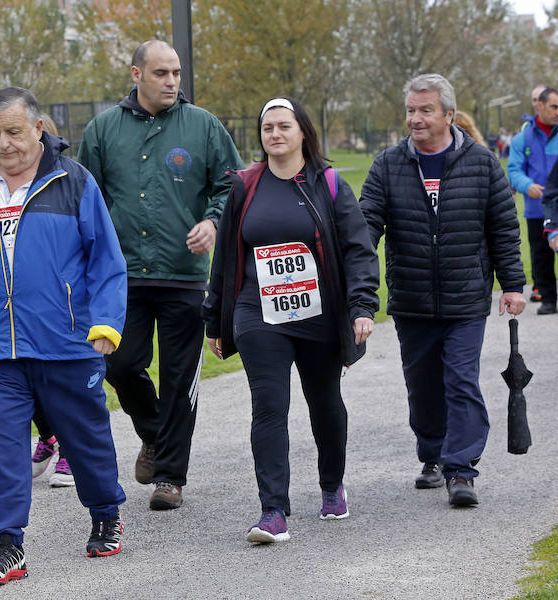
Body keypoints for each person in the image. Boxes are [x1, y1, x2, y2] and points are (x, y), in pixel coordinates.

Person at [0, 87, 127, 586]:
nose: (3, 144)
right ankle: (7, 546)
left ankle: (105, 512)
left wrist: (107, 324)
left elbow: (107, 261)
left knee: (85, 439)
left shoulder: (74, 182)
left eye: (13, 131)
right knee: (4, 450)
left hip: (67, 342)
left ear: (39, 128)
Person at [202, 97, 379, 543]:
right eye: (267, 129)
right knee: (269, 405)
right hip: (258, 312)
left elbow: (358, 248)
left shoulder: (330, 184)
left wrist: (361, 306)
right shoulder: (245, 186)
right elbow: (225, 258)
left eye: (284, 126)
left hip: (318, 313)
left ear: (302, 132)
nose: (275, 134)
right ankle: (273, 511)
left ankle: (331, 483)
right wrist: (214, 321)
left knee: (324, 403)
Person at [77, 39, 243, 510]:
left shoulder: (204, 126)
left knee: (178, 376)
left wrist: (213, 220)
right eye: (161, 73)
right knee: (120, 363)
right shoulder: (103, 129)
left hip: (183, 276)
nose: (172, 81)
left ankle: (170, 475)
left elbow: (232, 186)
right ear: (136, 75)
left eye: (176, 73)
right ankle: (153, 434)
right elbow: (85, 199)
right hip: (121, 276)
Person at [360, 74, 526, 508]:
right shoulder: (388, 165)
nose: (415, 118)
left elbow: (503, 230)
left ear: (449, 115)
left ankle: (461, 469)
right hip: (412, 299)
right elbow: (364, 230)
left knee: (460, 380)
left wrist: (512, 285)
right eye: (411, 110)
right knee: (423, 385)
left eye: (425, 110)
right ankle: (432, 454)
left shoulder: (482, 163)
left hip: (465, 297)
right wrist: (353, 284)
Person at [29, 112, 75, 489]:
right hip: (20, 311)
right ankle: (49, 438)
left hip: (61, 309)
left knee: (60, 386)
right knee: (27, 387)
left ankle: (72, 455)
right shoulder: (2, 187)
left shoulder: (71, 184)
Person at [507, 86, 558, 314]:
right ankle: (548, 299)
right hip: (537, 209)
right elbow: (513, 170)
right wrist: (527, 186)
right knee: (541, 257)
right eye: (554, 106)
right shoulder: (523, 138)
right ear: (540, 106)